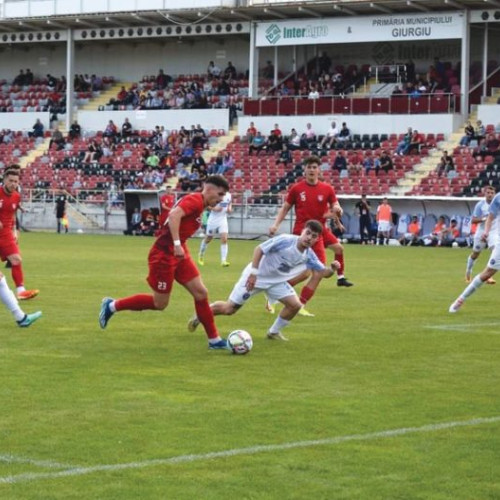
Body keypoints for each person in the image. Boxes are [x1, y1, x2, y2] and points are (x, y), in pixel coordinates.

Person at [99, 175, 231, 350]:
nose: (221, 199)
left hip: (179, 253)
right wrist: (177, 244)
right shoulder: (195, 200)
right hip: (164, 255)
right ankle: (112, 306)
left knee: (201, 293)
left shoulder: (200, 204)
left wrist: (179, 246)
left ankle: (214, 340)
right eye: (220, 194)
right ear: (209, 189)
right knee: (159, 303)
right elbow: (174, 215)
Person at [188, 220, 338, 341]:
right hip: (256, 276)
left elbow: (323, 272)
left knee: (295, 305)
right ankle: (201, 315)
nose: (309, 238)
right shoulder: (286, 240)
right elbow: (259, 249)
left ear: (317, 239)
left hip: (275, 282)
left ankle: (273, 333)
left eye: (313, 236)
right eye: (308, 233)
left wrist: (332, 268)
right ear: (302, 231)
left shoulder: (309, 255)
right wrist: (253, 273)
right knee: (229, 309)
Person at [269, 156, 353, 314]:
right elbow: (285, 208)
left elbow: (335, 205)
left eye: (315, 167)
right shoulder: (296, 188)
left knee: (319, 272)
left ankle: (299, 305)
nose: (312, 170)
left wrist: (338, 210)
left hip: (319, 234)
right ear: (304, 170)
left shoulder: (327, 189)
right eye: (309, 167)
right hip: (300, 234)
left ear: (319, 170)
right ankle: (274, 296)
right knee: (303, 273)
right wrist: (276, 224)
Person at [449, 190, 500, 313]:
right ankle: (461, 299)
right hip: (488, 234)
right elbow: (490, 218)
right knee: (487, 273)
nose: (490, 194)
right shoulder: (497, 199)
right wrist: (486, 232)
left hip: (495, 236)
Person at [0, 167, 39, 300]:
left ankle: (21, 291)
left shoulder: (16, 196)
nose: (13, 184)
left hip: (5, 234)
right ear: (4, 180)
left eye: (16, 181)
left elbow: (12, 214)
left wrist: (14, 230)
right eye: (10, 180)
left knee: (16, 259)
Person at [465, 185, 497, 284]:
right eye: (488, 193)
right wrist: (484, 218)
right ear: (485, 194)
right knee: (475, 254)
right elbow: (473, 220)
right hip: (481, 232)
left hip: (493, 232)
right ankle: (468, 271)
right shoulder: (480, 205)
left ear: (494, 194)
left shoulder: (497, 204)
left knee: (495, 252)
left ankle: (487, 276)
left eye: (492, 193)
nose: (490, 195)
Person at [198, 191, 232, 267]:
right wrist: (214, 208)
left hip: (223, 219)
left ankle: (223, 260)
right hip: (213, 220)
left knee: (224, 239)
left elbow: (229, 203)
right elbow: (207, 206)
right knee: (208, 239)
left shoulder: (229, 195)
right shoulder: (214, 194)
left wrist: (229, 209)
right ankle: (201, 256)